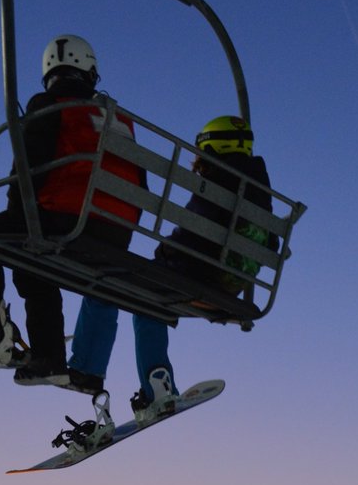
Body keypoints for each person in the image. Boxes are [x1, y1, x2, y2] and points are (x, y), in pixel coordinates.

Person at [0, 35, 142, 386]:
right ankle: (49, 358)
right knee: (31, 255)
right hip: (117, 229)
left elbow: (29, 167)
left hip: (70, 219)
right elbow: (141, 182)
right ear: (90, 73)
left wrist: (16, 208)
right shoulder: (116, 119)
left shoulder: (49, 104)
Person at [67, 115, 275, 420]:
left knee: (105, 280)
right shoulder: (260, 193)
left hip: (196, 275)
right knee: (147, 305)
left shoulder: (218, 185)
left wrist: (164, 253)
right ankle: (158, 388)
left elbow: (192, 232)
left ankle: (86, 369)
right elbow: (271, 246)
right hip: (230, 283)